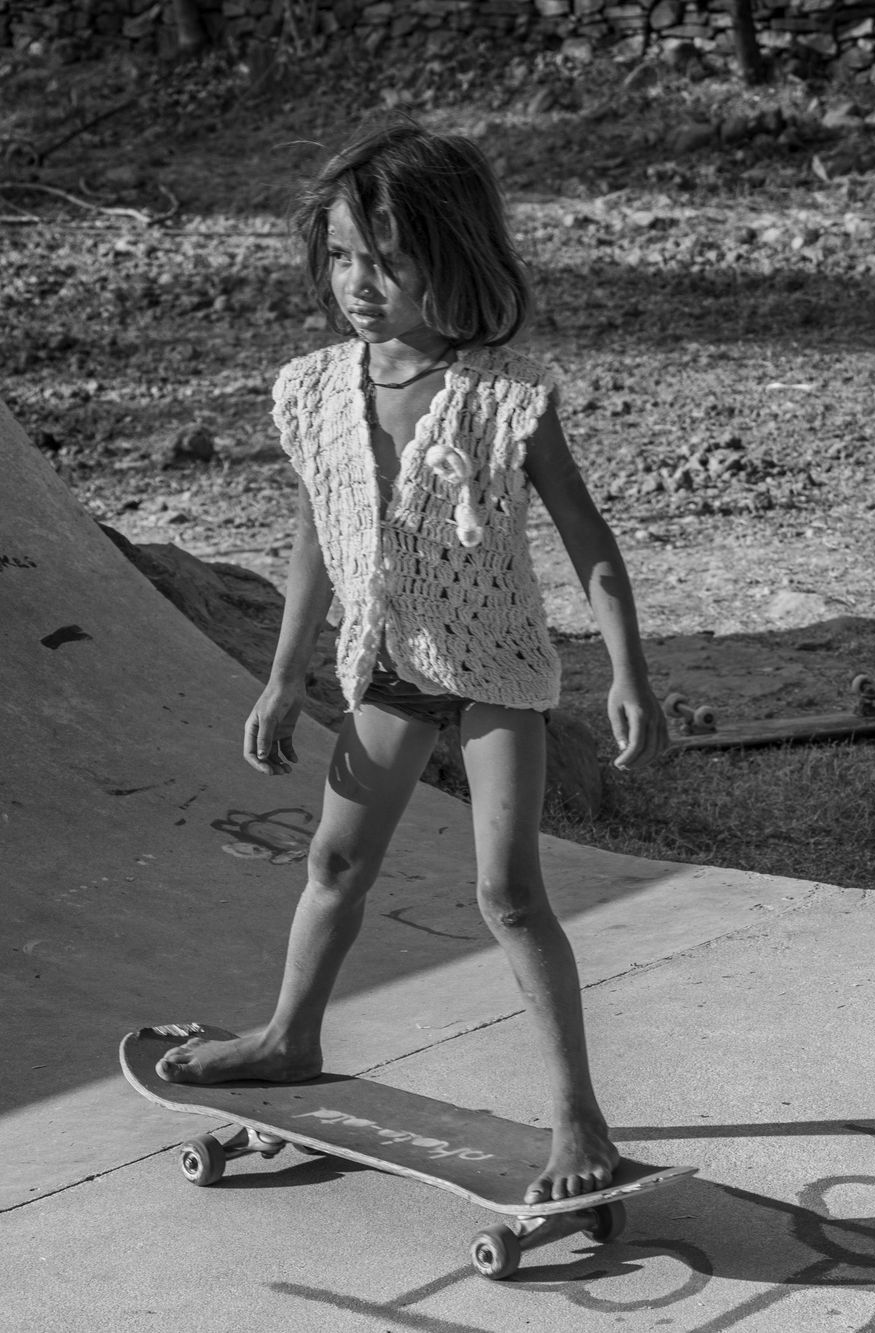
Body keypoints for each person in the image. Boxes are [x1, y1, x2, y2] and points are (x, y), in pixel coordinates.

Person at [156, 120, 666, 1205]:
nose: (359, 283)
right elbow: (318, 533)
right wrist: (284, 671)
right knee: (334, 865)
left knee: (510, 894)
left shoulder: (502, 396)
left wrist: (628, 672)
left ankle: (579, 1114)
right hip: (381, 669)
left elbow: (588, 540)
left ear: (452, 256)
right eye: (341, 256)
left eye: (387, 260)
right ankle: (290, 1033)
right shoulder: (313, 390)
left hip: (492, 678)